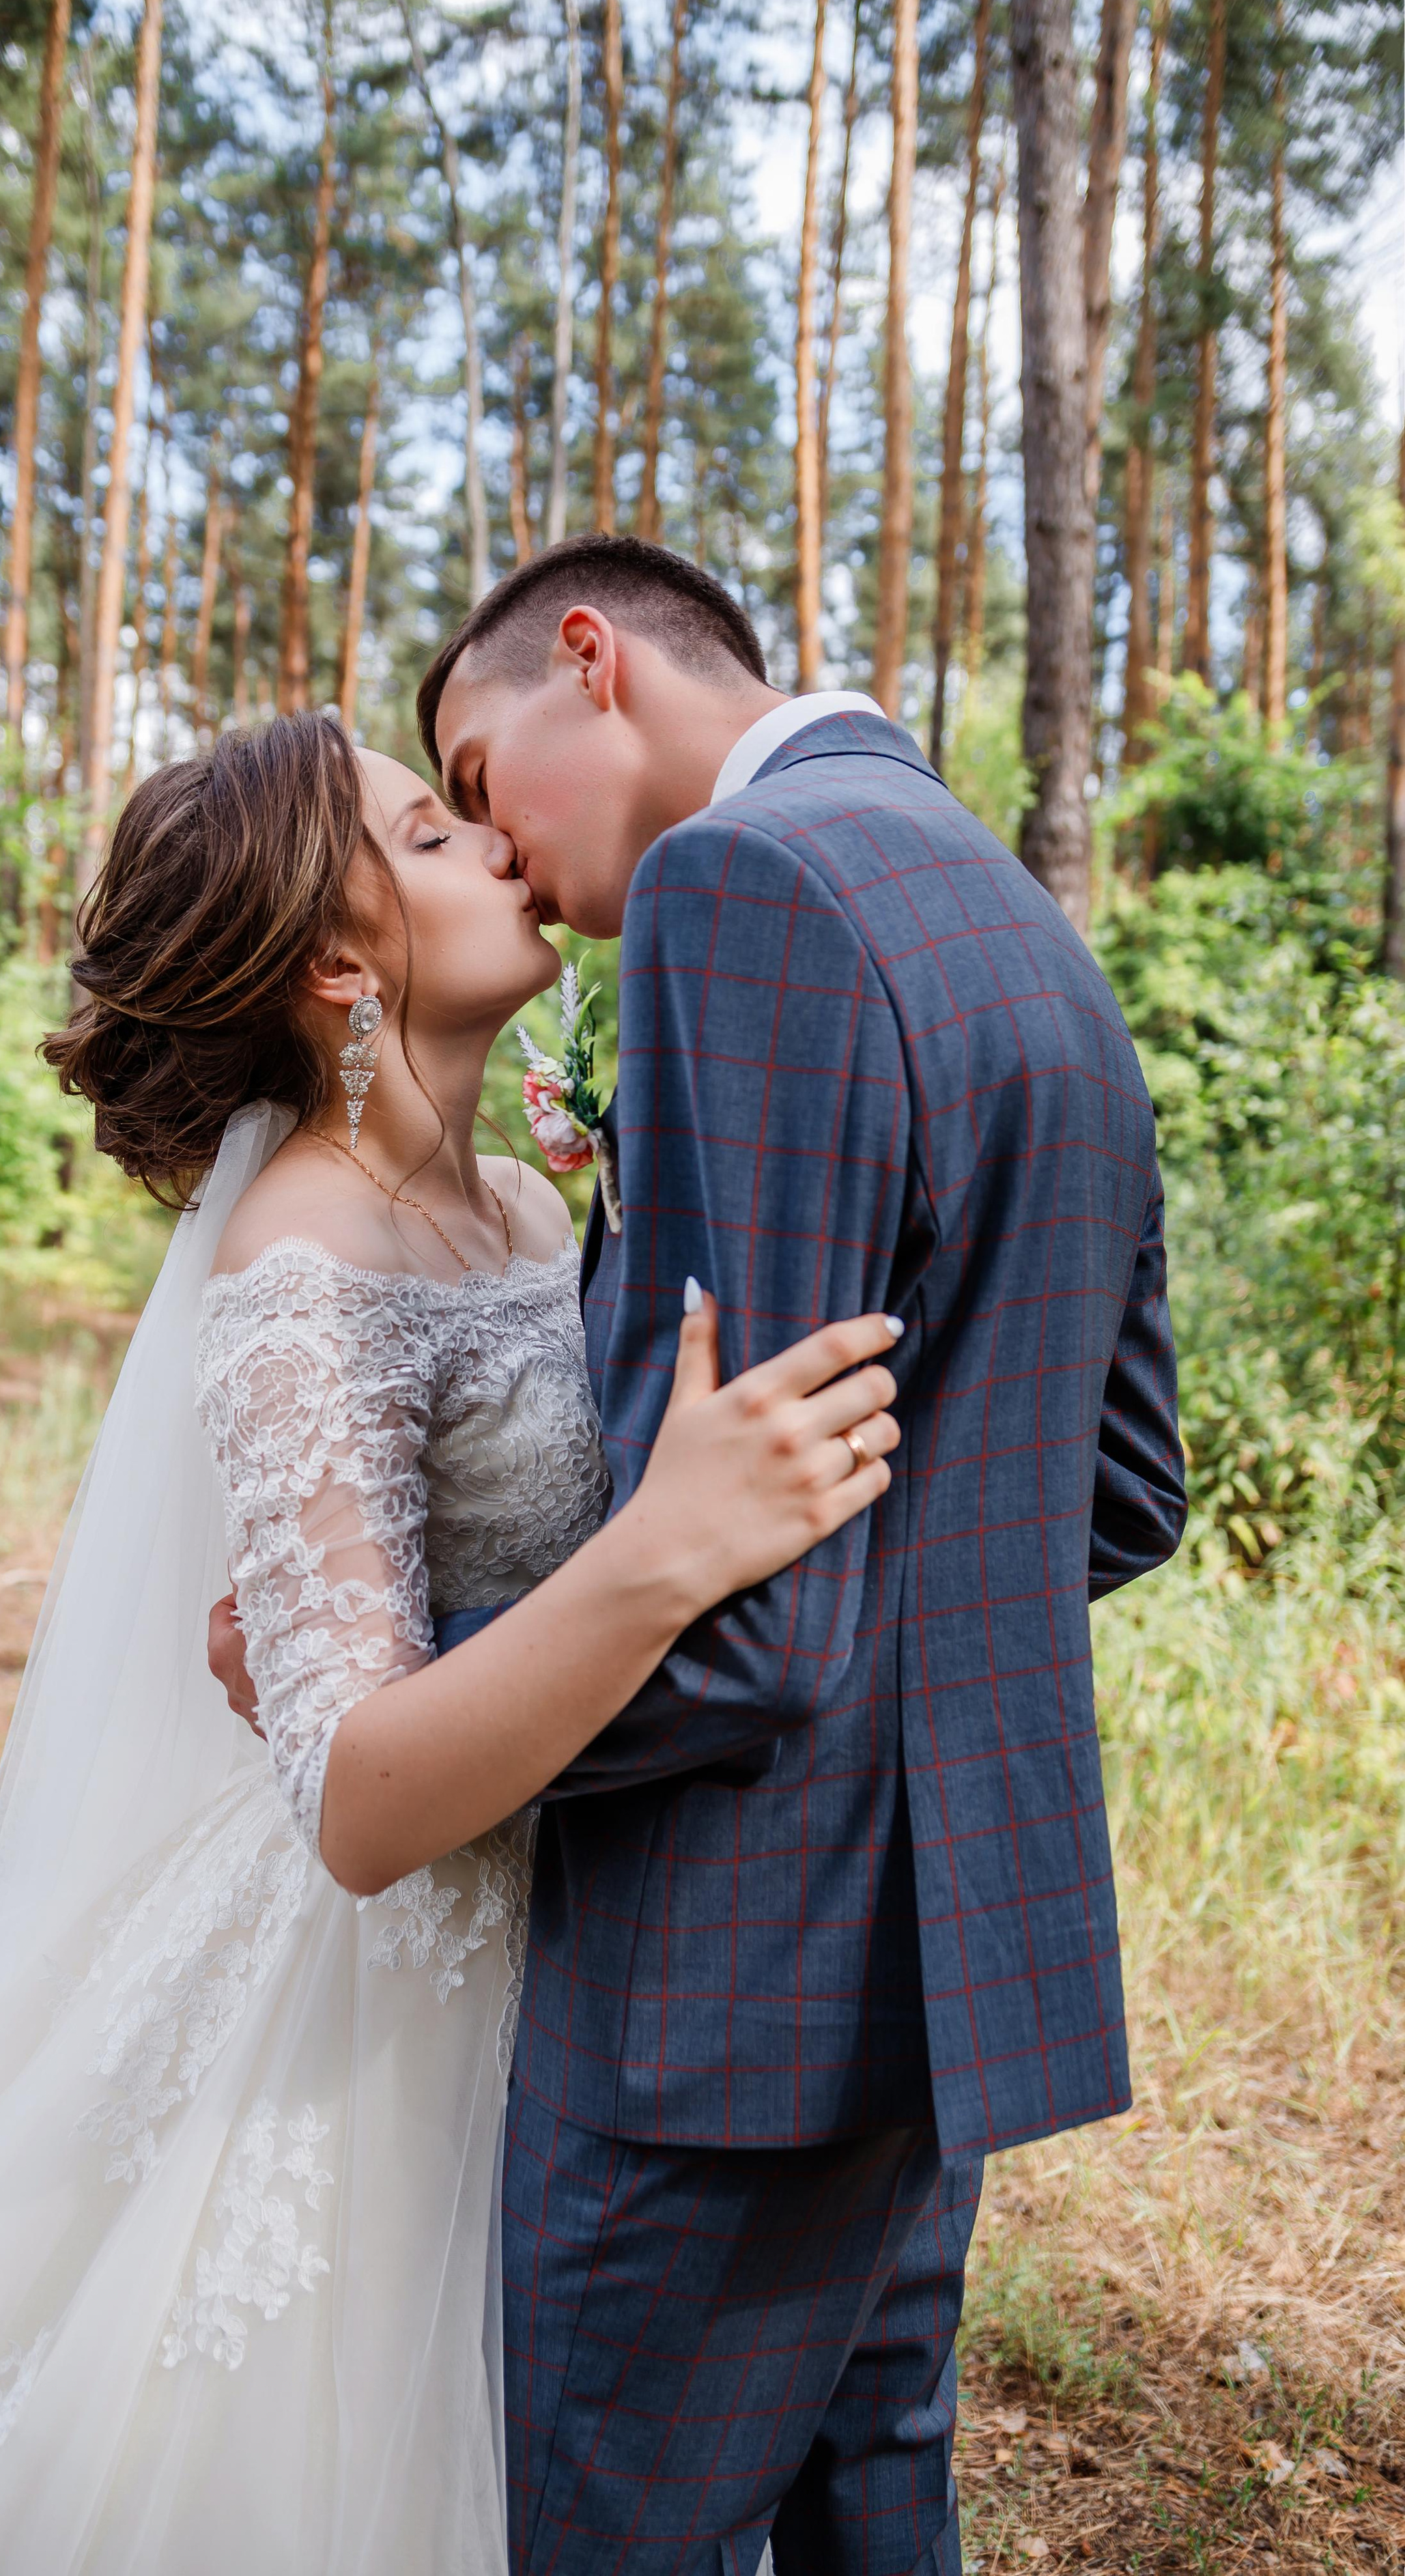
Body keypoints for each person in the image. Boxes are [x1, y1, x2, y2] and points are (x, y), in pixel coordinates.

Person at [0, 709, 902, 2575]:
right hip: (379, 1998)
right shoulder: (304, 1255)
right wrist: (666, 1550)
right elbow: (356, 1802)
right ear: (336, 964)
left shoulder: (519, 1204)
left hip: (572, 1935)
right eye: (430, 836)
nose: (499, 844)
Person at [212, 533, 1189, 2575]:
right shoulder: (1001, 899)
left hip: (711, 2000)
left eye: (474, 781)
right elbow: (1114, 1492)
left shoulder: (744, 890)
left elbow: (751, 1631)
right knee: (871, 2520)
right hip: (935, 1977)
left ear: (592, 662)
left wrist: (401, 1684)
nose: (503, 845)